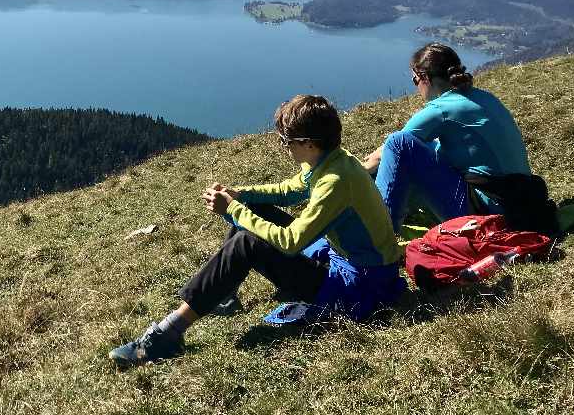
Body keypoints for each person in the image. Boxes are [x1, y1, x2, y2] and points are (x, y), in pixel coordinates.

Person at [109, 95, 405, 367]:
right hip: (345, 261)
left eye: (286, 141)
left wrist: (234, 210)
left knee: (249, 240)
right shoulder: (333, 159)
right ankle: (223, 295)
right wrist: (242, 196)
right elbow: (291, 189)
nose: (283, 147)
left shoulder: (336, 181)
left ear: (309, 144)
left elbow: (290, 242)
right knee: (257, 214)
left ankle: (165, 337)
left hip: (360, 287)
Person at [362, 43, 531, 232]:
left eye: (415, 80)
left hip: (488, 214)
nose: (416, 86)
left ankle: (376, 234)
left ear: (425, 78)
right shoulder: (484, 97)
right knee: (427, 151)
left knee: (398, 142)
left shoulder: (442, 108)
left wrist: (358, 169)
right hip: (524, 205)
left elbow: (394, 149)